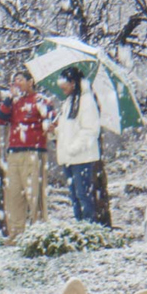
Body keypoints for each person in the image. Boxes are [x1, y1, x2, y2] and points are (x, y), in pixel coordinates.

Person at [0, 70, 54, 245]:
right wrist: (8, 99)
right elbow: (0, 118)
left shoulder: (41, 100)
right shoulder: (13, 102)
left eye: (20, 80)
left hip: (34, 152)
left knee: (35, 193)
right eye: (14, 81)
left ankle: (39, 233)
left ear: (30, 82)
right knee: (14, 194)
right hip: (14, 152)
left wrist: (48, 126)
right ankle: (16, 234)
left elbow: (50, 119)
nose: (16, 84)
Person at [49, 67, 101, 222]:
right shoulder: (70, 101)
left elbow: (90, 130)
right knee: (74, 196)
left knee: (83, 194)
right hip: (68, 158)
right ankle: (80, 227)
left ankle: (88, 228)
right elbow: (69, 129)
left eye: (64, 83)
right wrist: (55, 131)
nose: (61, 87)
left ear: (73, 82)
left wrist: (73, 148)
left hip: (81, 157)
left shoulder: (86, 101)